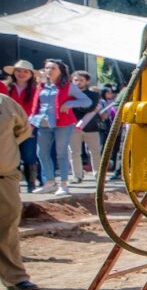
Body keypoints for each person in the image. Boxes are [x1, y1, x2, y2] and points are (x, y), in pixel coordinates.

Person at [28, 59, 92, 195]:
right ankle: (50, 182)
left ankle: (64, 184)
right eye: (47, 68)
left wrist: (70, 104)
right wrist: (31, 122)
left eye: (53, 68)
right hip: (43, 122)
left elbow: (87, 101)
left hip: (63, 123)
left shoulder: (68, 86)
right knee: (41, 153)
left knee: (61, 153)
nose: (49, 71)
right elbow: (36, 105)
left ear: (61, 71)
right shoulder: (41, 85)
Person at [1, 91, 38, 290]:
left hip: (4, 176)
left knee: (8, 226)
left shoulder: (5, 102)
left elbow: (23, 129)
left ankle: (15, 278)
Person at [2, 60, 41, 192]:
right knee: (12, 156)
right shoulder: (4, 87)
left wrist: (32, 125)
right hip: (8, 128)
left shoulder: (36, 90)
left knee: (29, 155)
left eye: (26, 71)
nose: (22, 74)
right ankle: (15, 185)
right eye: (18, 70)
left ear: (31, 74)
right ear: (13, 72)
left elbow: (38, 109)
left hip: (29, 127)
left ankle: (31, 184)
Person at [68, 70, 102, 183]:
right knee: (74, 152)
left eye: (81, 80)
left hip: (91, 127)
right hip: (72, 127)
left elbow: (90, 108)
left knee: (95, 152)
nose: (78, 82)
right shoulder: (68, 94)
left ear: (87, 81)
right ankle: (77, 176)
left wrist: (73, 105)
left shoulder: (93, 94)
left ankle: (98, 174)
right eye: (76, 80)